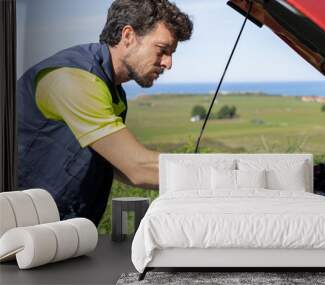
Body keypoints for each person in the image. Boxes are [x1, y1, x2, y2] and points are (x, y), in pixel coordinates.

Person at [16, 0, 193, 225]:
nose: (168, 63)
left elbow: (117, 165)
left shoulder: (114, 91)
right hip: (19, 231)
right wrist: (213, 176)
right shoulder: (75, 79)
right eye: (162, 50)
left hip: (62, 230)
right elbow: (136, 166)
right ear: (128, 36)